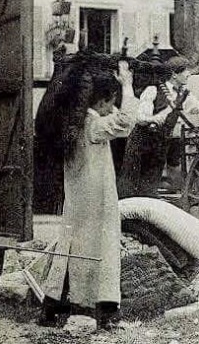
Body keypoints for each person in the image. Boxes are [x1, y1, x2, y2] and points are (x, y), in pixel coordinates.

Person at [41, 56, 138, 327]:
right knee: (99, 249)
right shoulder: (93, 126)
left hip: (78, 199)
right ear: (102, 102)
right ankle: (96, 307)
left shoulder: (75, 123)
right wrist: (127, 85)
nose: (113, 108)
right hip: (96, 201)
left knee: (69, 248)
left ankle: (53, 305)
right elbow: (126, 122)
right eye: (111, 103)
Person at [119, 55, 199, 198]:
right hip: (141, 142)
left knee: (150, 187)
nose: (189, 74)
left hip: (160, 143)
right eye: (186, 71)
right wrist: (153, 119)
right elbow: (140, 118)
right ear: (174, 74)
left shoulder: (184, 94)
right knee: (131, 184)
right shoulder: (153, 90)